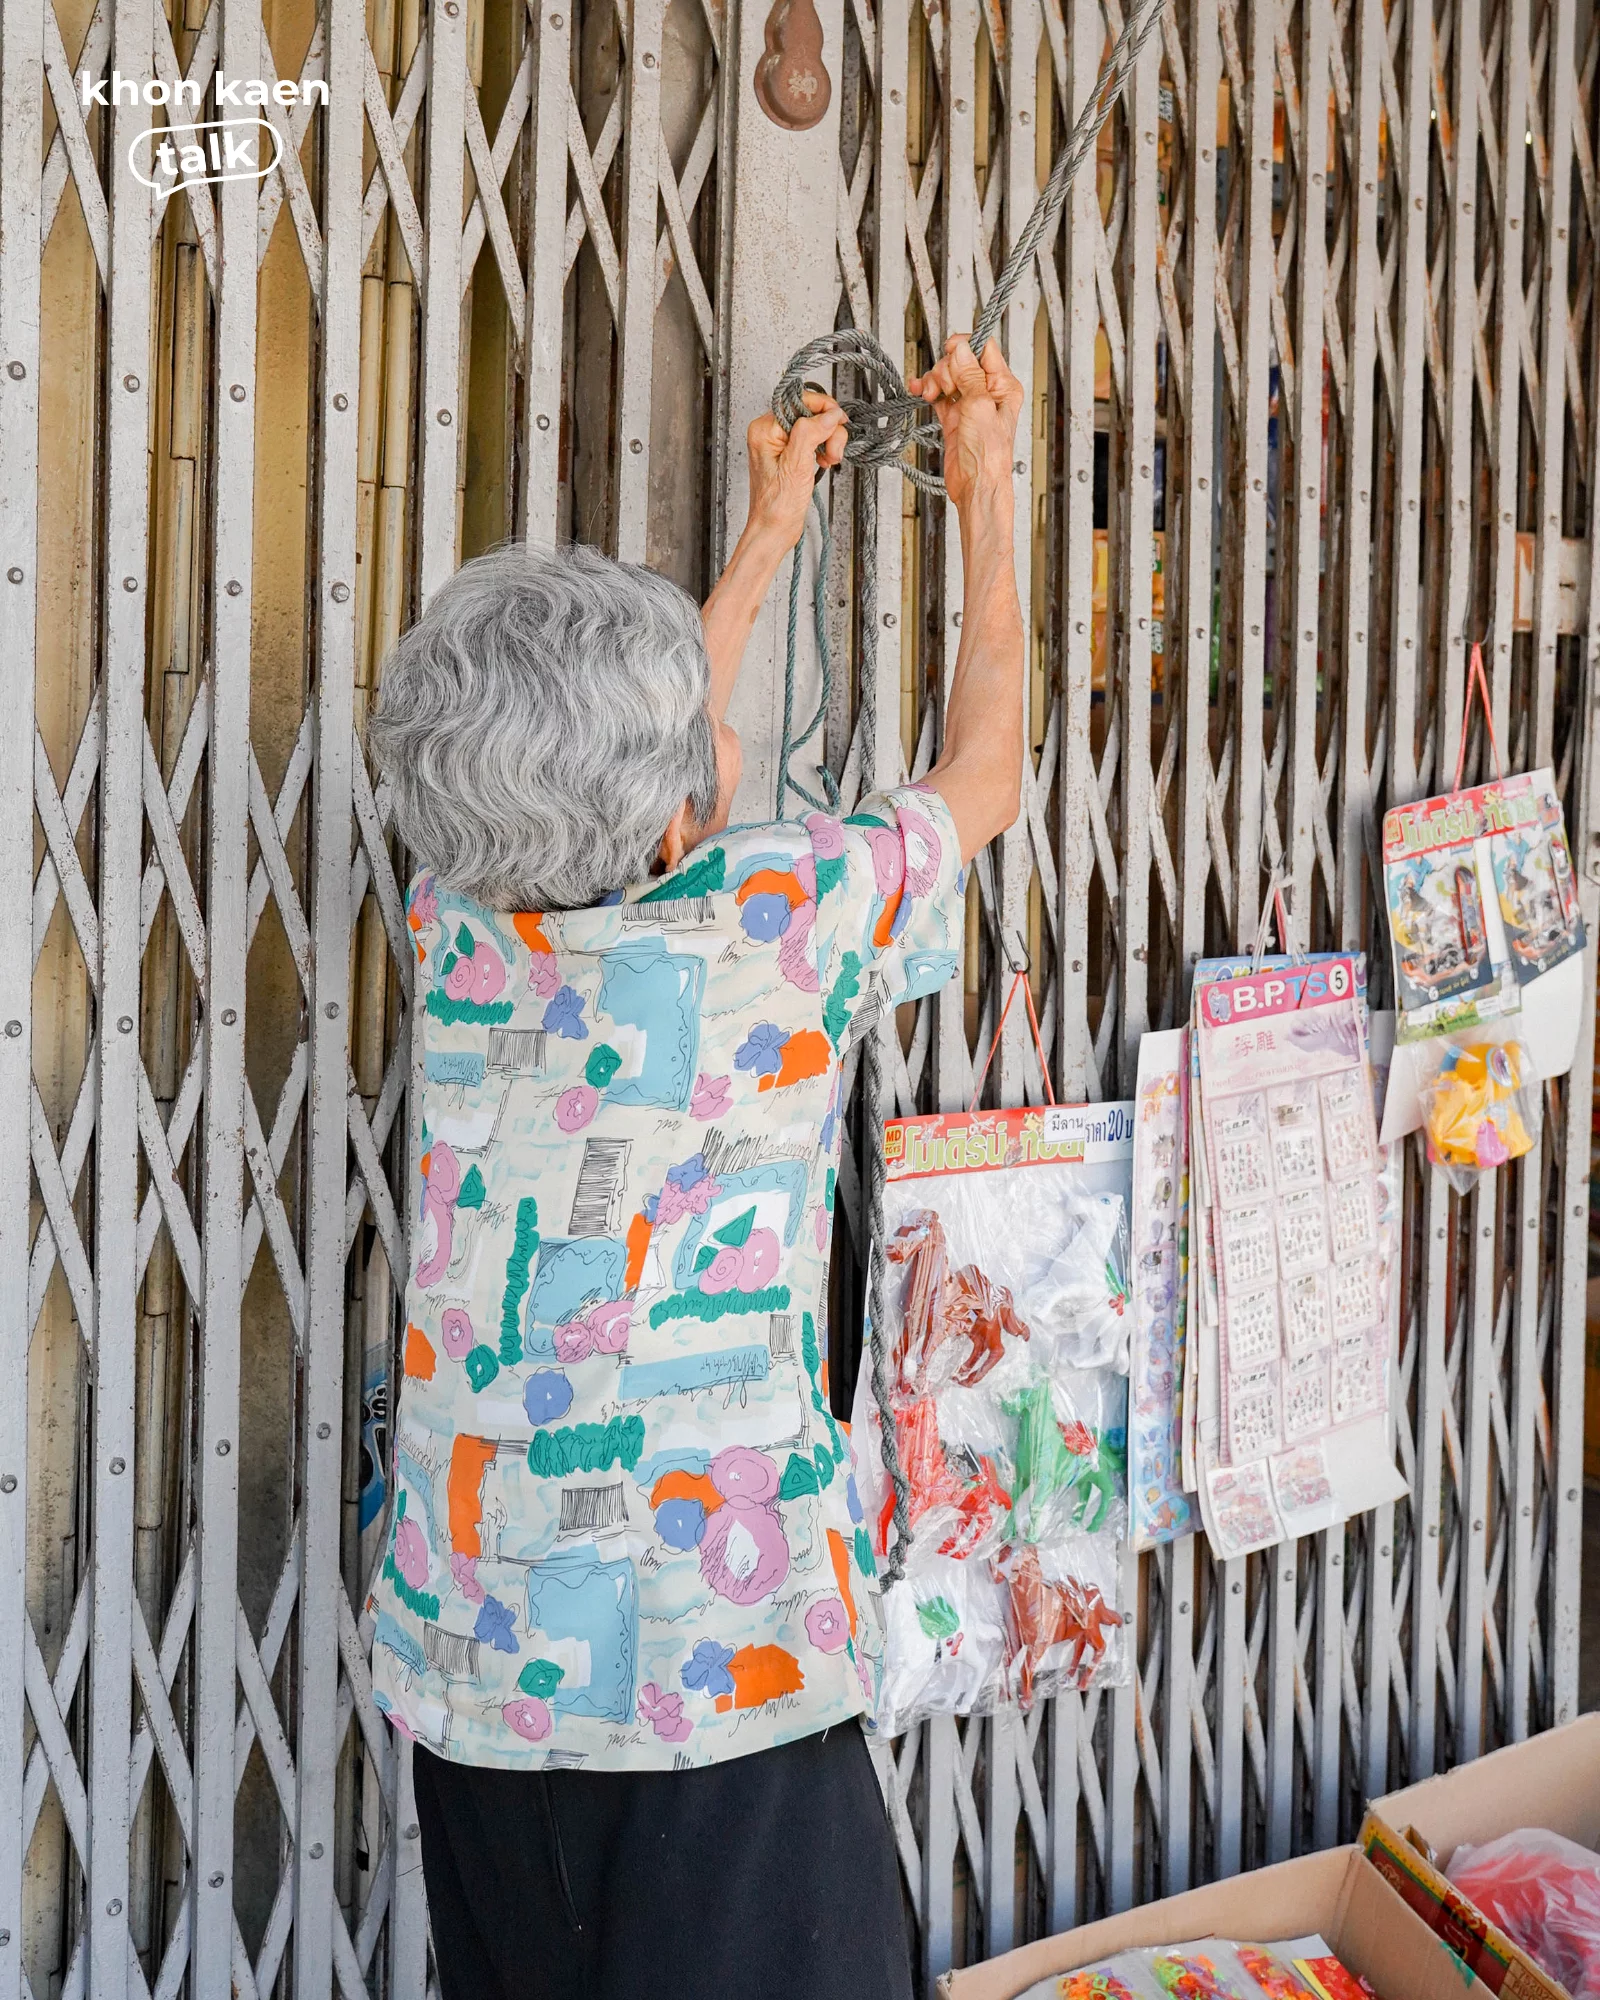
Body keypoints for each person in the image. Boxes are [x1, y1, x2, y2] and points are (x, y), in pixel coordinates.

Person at [365, 334, 1025, 2000]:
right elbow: (987, 775)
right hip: (718, 1704)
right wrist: (989, 495)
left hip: (477, 1696)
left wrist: (767, 535)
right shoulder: (776, 924)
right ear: (676, 821)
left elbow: (627, 780)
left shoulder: (458, 934)